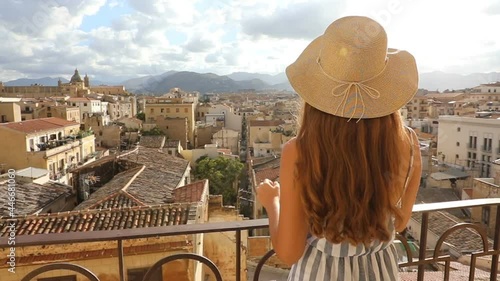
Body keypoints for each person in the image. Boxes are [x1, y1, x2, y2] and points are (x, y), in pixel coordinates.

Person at [256, 16, 422, 281]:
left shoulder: (299, 152)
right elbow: (399, 222)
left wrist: (272, 203)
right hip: (380, 271)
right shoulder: (408, 142)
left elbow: (288, 253)